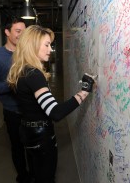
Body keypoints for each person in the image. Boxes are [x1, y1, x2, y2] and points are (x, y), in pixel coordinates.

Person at [7, 25, 95, 183]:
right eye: (46, 45)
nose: (50, 49)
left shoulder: (21, 70)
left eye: (50, 45)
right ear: (33, 45)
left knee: (36, 174)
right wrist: (84, 92)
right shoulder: (34, 75)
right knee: (46, 178)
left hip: (27, 131)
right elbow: (55, 112)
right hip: (41, 137)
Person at [0, 17, 29, 183]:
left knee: (35, 146)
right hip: (13, 112)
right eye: (18, 31)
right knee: (18, 147)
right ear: (7, 32)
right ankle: (23, 177)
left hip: (33, 109)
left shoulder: (28, 51)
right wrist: (12, 84)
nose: (22, 35)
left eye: (24, 31)